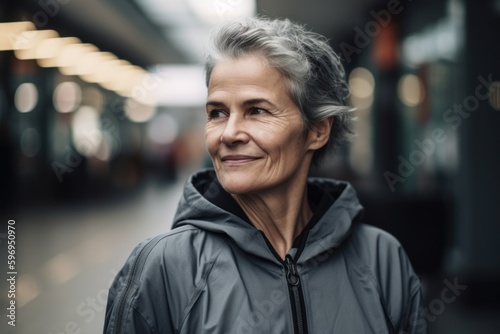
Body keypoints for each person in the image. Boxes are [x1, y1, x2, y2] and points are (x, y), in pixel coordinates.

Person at [104, 17, 426, 334]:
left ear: (317, 130)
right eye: (217, 113)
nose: (228, 134)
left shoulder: (382, 261)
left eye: (256, 110)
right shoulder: (162, 269)